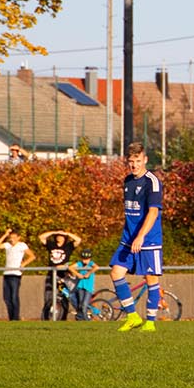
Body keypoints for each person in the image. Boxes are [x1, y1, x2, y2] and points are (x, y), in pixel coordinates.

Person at [110, 142, 164, 333]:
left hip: (148, 240)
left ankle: (150, 322)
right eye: (131, 161)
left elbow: (152, 213)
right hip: (128, 238)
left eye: (138, 161)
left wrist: (141, 236)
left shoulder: (152, 182)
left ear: (145, 160)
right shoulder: (127, 181)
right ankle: (132, 316)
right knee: (116, 272)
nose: (134, 165)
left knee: (151, 280)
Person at [39, 229, 82, 320]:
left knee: (64, 296)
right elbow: (41, 237)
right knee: (49, 296)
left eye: (61, 236)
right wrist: (54, 232)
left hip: (63, 274)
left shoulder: (68, 246)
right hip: (52, 274)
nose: (59, 237)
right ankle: (46, 317)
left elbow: (78, 240)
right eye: (58, 236)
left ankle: (63, 317)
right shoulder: (52, 245)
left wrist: (67, 233)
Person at [0, 229, 34, 320]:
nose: (12, 240)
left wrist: (23, 264)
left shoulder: (22, 245)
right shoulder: (7, 245)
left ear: (18, 238)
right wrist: (5, 234)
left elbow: (32, 256)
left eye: (14, 238)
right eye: (10, 238)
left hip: (16, 274)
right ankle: (11, 317)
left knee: (14, 296)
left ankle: (15, 317)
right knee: (7, 297)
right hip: (7, 273)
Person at [71, 249, 98, 320]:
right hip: (80, 286)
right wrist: (77, 274)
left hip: (88, 287)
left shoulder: (91, 263)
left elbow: (96, 267)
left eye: (86, 259)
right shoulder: (80, 263)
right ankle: (80, 318)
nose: (84, 261)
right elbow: (70, 267)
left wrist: (89, 273)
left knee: (84, 304)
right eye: (83, 259)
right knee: (80, 304)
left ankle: (86, 319)